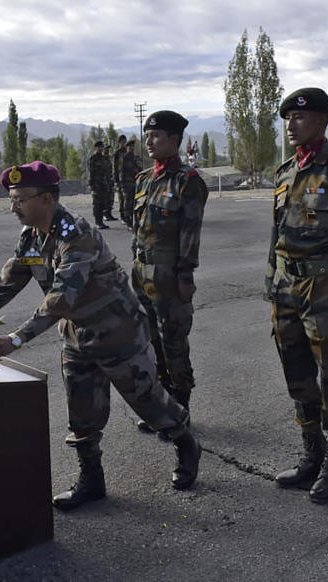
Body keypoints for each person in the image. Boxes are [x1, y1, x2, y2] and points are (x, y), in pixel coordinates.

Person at [0, 160, 201, 511]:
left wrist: (15, 340)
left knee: (149, 403)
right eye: (11, 199)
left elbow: (61, 298)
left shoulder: (77, 237)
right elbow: (7, 282)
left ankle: (186, 443)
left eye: (21, 198)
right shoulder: (32, 238)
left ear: (47, 199)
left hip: (118, 335)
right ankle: (91, 480)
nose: (13, 206)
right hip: (77, 336)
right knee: (81, 411)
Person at [264, 88, 328, 504]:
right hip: (286, 289)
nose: (291, 125)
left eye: (299, 118)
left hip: (326, 289)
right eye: (287, 118)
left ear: (323, 121)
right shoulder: (285, 172)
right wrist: (271, 282)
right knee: (297, 372)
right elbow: (276, 236)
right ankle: (312, 453)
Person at [132, 110, 208, 434]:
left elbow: (190, 234)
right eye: (147, 136)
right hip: (142, 273)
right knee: (152, 343)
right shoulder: (144, 179)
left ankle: (181, 408)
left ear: (175, 140)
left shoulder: (187, 182)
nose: (149, 141)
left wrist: (185, 276)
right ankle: (163, 407)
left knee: (174, 342)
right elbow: (137, 228)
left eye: (157, 136)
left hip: (169, 274)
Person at [87, 141, 111, 229]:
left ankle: (101, 221)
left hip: (104, 184)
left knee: (102, 204)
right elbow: (91, 172)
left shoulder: (103, 158)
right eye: (100, 147)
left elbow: (107, 172)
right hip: (96, 185)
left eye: (102, 147)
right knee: (97, 204)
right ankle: (98, 222)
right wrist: (91, 185)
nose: (101, 148)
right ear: (96, 148)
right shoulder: (93, 158)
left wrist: (108, 182)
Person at [118, 140, 141, 229]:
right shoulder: (123, 158)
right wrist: (122, 184)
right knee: (127, 203)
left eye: (133, 146)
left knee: (135, 203)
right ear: (127, 147)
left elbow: (140, 170)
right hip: (127, 184)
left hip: (135, 183)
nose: (132, 148)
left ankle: (134, 220)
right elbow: (121, 172)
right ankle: (128, 221)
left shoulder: (135, 158)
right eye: (130, 146)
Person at [111, 135, 128, 222]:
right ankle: (122, 216)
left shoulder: (127, 151)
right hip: (120, 179)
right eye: (122, 141)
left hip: (127, 179)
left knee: (127, 199)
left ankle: (127, 215)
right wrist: (116, 179)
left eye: (124, 141)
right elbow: (115, 166)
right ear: (119, 142)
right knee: (121, 198)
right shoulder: (117, 153)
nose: (123, 143)